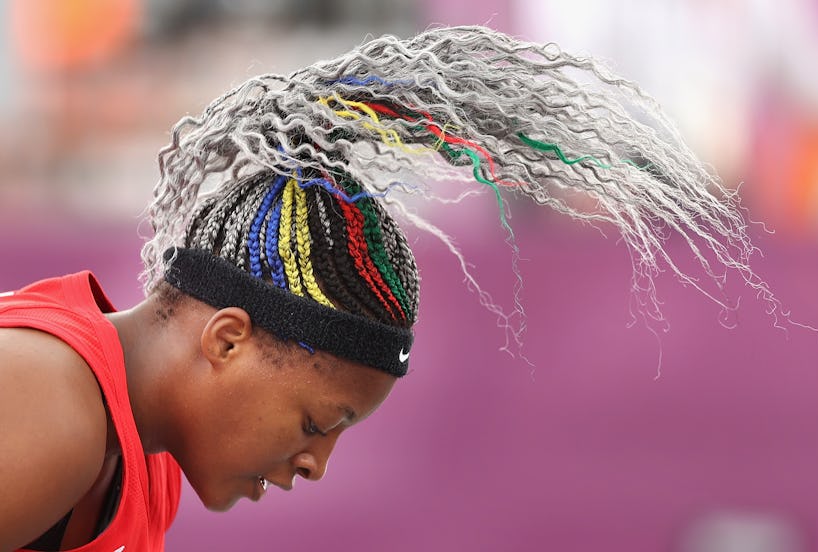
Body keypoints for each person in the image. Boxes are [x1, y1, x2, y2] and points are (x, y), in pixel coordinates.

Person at [0, 25, 774, 551]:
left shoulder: (142, 454)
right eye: (316, 420)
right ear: (227, 340)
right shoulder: (51, 407)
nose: (315, 465)